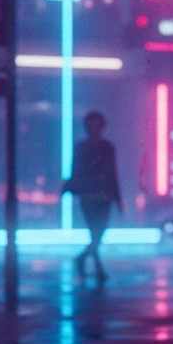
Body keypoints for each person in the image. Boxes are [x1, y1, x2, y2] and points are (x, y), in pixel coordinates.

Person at [64, 111, 122, 282]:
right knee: (95, 233)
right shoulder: (82, 147)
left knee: (98, 233)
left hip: (102, 197)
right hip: (89, 196)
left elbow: (112, 173)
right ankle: (95, 266)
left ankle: (85, 260)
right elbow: (76, 170)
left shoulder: (107, 148)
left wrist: (117, 199)